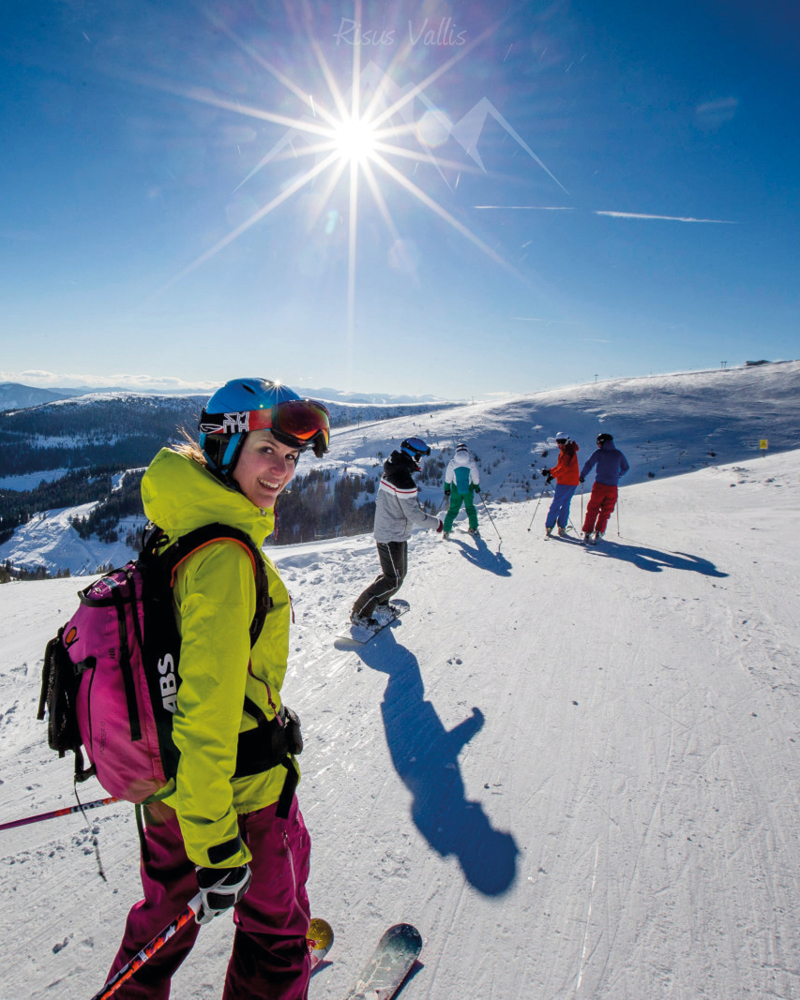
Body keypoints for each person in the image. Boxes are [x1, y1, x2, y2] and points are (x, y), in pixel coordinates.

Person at [106, 378, 330, 999]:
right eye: (268, 451)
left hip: (173, 790)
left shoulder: (183, 522)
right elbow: (207, 710)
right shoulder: (226, 557)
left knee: (158, 929)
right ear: (227, 448)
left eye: (291, 457)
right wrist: (216, 842)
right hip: (241, 797)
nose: (282, 470)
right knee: (276, 939)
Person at [351, 437, 442, 625]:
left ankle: (381, 603)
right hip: (391, 536)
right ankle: (360, 614)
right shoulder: (403, 480)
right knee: (393, 579)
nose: (421, 461)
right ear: (413, 456)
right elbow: (414, 514)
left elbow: (381, 501)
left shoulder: (392, 470)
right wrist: (437, 524)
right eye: (420, 457)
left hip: (392, 532)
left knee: (393, 576)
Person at [580, 432, 629, 544]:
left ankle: (587, 532)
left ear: (603, 442)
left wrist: (582, 476)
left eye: (598, 442)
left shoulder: (599, 453)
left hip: (599, 486)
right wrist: (619, 475)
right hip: (612, 488)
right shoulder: (618, 454)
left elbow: (589, 464)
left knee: (593, 509)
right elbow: (626, 467)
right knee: (606, 511)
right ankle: (599, 532)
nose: (597, 444)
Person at [542, 432, 580, 538]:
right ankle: (562, 527)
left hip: (565, 482)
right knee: (565, 503)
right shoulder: (569, 450)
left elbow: (563, 468)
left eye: (562, 441)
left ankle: (549, 526)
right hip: (572, 482)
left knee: (556, 504)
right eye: (558, 441)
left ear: (568, 440)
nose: (560, 444)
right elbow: (560, 466)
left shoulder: (567, 452)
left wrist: (552, 475)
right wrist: (550, 471)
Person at [442, 442, 481, 538]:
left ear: (456, 451)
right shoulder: (470, 462)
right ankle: (473, 528)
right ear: (467, 451)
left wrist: (447, 488)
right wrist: (476, 486)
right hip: (468, 489)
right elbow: (475, 476)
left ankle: (446, 530)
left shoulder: (452, 462)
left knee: (453, 510)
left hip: (456, 489)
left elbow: (448, 477)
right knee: (470, 508)